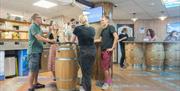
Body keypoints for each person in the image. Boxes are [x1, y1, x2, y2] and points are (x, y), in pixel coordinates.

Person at [27, 13, 55, 91]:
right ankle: (30, 87)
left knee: (36, 69)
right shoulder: (33, 26)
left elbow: (44, 37)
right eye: (40, 18)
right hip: (33, 51)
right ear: (36, 19)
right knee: (32, 70)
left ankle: (35, 83)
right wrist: (50, 40)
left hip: (38, 51)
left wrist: (49, 31)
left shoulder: (39, 28)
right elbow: (39, 38)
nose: (41, 19)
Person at [71, 14, 96, 91]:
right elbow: (91, 39)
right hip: (92, 51)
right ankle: (84, 86)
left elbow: (72, 41)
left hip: (84, 51)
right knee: (88, 71)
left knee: (86, 73)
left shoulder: (77, 28)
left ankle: (87, 89)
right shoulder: (92, 29)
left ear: (80, 20)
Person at [95, 16, 118, 89]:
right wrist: (92, 40)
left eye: (103, 20)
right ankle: (109, 81)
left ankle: (106, 83)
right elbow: (100, 40)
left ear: (107, 20)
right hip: (103, 50)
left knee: (105, 68)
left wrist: (112, 48)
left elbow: (116, 37)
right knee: (106, 67)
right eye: (101, 20)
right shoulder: (103, 30)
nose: (102, 21)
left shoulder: (111, 27)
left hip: (107, 51)